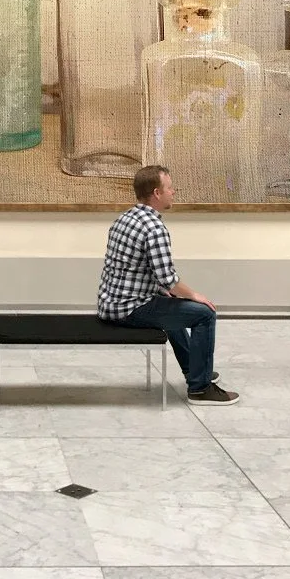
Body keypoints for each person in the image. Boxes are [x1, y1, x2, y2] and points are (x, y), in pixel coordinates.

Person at [97, 164, 239, 405]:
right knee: (204, 314)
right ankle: (200, 388)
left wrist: (173, 294)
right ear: (156, 193)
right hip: (130, 309)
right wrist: (194, 295)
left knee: (171, 304)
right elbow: (167, 278)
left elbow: (141, 272)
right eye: (170, 188)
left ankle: (195, 370)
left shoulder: (124, 218)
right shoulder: (153, 227)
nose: (174, 192)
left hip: (110, 304)